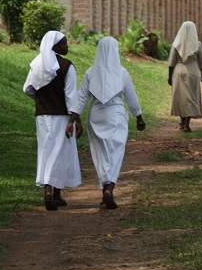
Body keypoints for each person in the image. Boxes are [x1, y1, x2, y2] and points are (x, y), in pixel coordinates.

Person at [76, 36, 146, 210]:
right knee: (115, 152)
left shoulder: (90, 73)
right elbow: (131, 97)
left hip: (96, 115)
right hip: (115, 115)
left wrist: (74, 119)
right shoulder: (122, 73)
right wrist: (139, 117)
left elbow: (81, 98)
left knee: (99, 153)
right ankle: (109, 189)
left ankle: (105, 191)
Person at [23, 31, 83, 211]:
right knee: (61, 153)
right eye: (64, 44)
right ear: (54, 46)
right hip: (63, 117)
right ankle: (54, 193)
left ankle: (50, 192)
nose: (67, 46)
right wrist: (74, 121)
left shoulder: (37, 64)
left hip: (42, 116)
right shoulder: (66, 66)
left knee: (46, 151)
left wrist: (42, 100)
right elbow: (72, 96)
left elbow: (28, 89)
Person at [168, 21, 202, 132]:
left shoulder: (176, 44)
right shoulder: (197, 44)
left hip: (178, 71)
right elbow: (201, 61)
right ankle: (186, 124)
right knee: (190, 97)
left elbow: (171, 62)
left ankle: (182, 122)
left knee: (180, 97)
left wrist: (169, 76)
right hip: (192, 71)